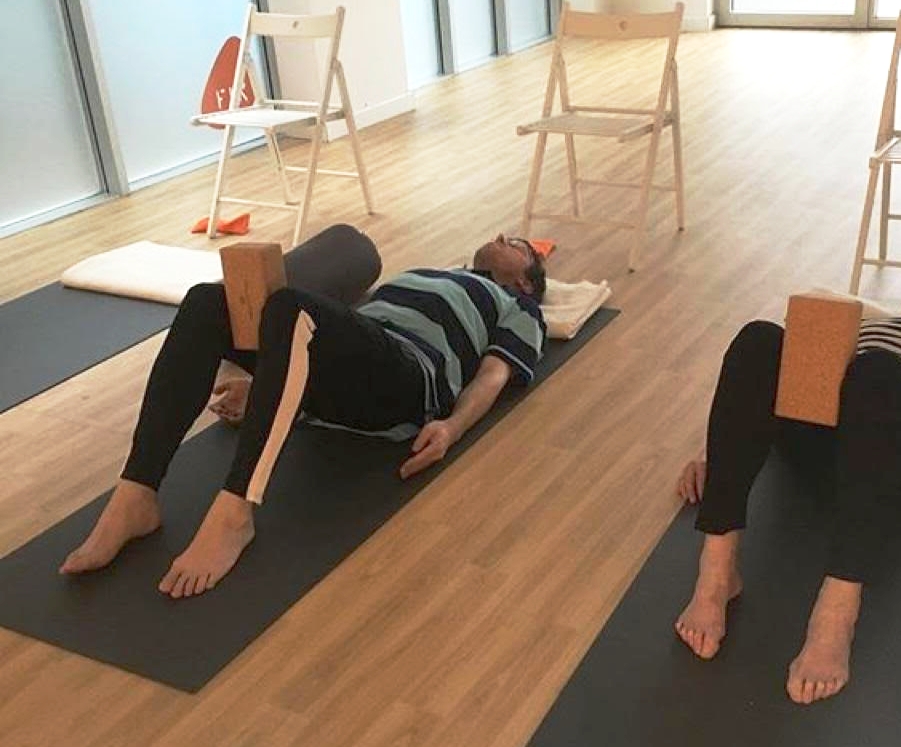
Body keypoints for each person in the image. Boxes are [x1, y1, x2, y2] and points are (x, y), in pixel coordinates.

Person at [60, 234, 547, 598]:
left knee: (293, 307)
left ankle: (235, 512)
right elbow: (330, 343)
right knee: (206, 300)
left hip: (408, 378)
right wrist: (261, 387)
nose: (502, 238)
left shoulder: (519, 306)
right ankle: (137, 494)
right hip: (350, 368)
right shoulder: (423, 272)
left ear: (527, 280)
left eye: (517, 245)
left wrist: (452, 427)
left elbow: (493, 376)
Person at [674, 266, 901, 705]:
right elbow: (774, 386)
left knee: (879, 371)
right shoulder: (866, 329)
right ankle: (717, 574)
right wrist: (718, 457)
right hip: (825, 436)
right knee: (760, 338)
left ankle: (837, 613)